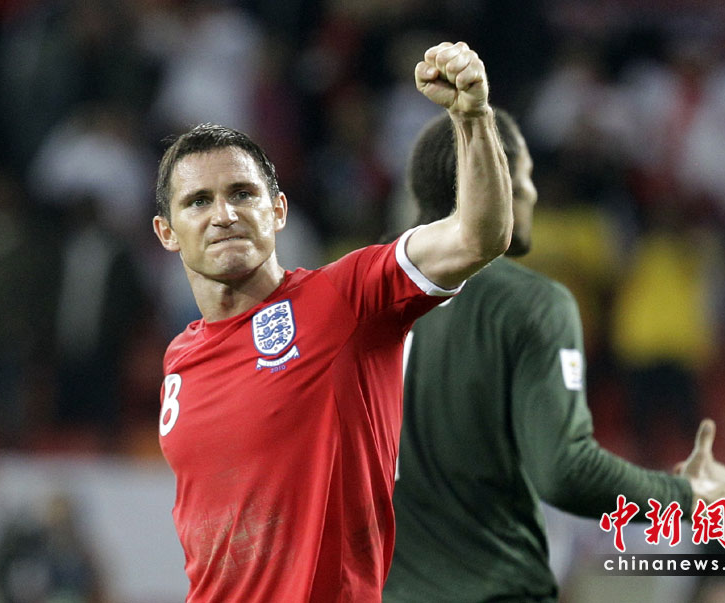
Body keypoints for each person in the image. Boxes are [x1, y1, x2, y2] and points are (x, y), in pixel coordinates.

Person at [151, 42, 513, 602]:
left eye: (242, 194)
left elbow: (476, 236)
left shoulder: (345, 298)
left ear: (278, 211)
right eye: (198, 201)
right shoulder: (180, 358)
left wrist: (472, 118)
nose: (224, 214)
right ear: (167, 232)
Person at [382, 108, 725, 602]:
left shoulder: (358, 293)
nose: (532, 194)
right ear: (491, 192)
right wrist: (683, 497)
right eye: (521, 179)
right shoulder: (533, 303)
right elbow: (563, 471)